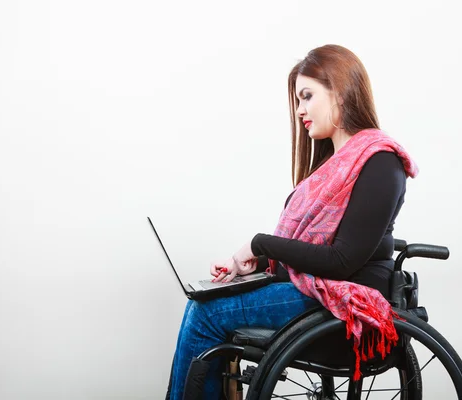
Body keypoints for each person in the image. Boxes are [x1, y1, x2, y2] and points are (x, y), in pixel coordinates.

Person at [165, 44, 418, 399]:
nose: (299, 110)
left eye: (307, 96)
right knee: (205, 301)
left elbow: (342, 261)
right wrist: (252, 264)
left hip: (346, 302)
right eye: (298, 100)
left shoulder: (379, 162)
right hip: (317, 290)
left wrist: (259, 243)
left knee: (206, 313)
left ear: (341, 92)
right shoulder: (332, 166)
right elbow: (315, 247)